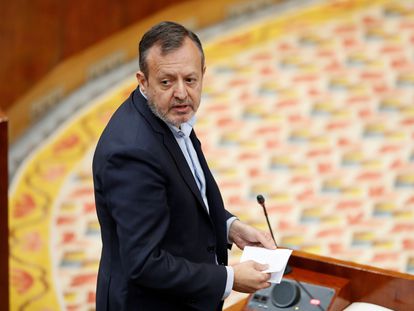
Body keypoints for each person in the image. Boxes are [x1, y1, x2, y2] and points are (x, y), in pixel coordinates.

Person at [92, 21, 276, 311]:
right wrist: (229, 278)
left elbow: (184, 195)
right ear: (143, 81)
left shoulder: (169, 115)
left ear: (202, 74)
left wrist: (229, 227)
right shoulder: (131, 154)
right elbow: (144, 262)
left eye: (190, 80)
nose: (181, 93)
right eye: (167, 81)